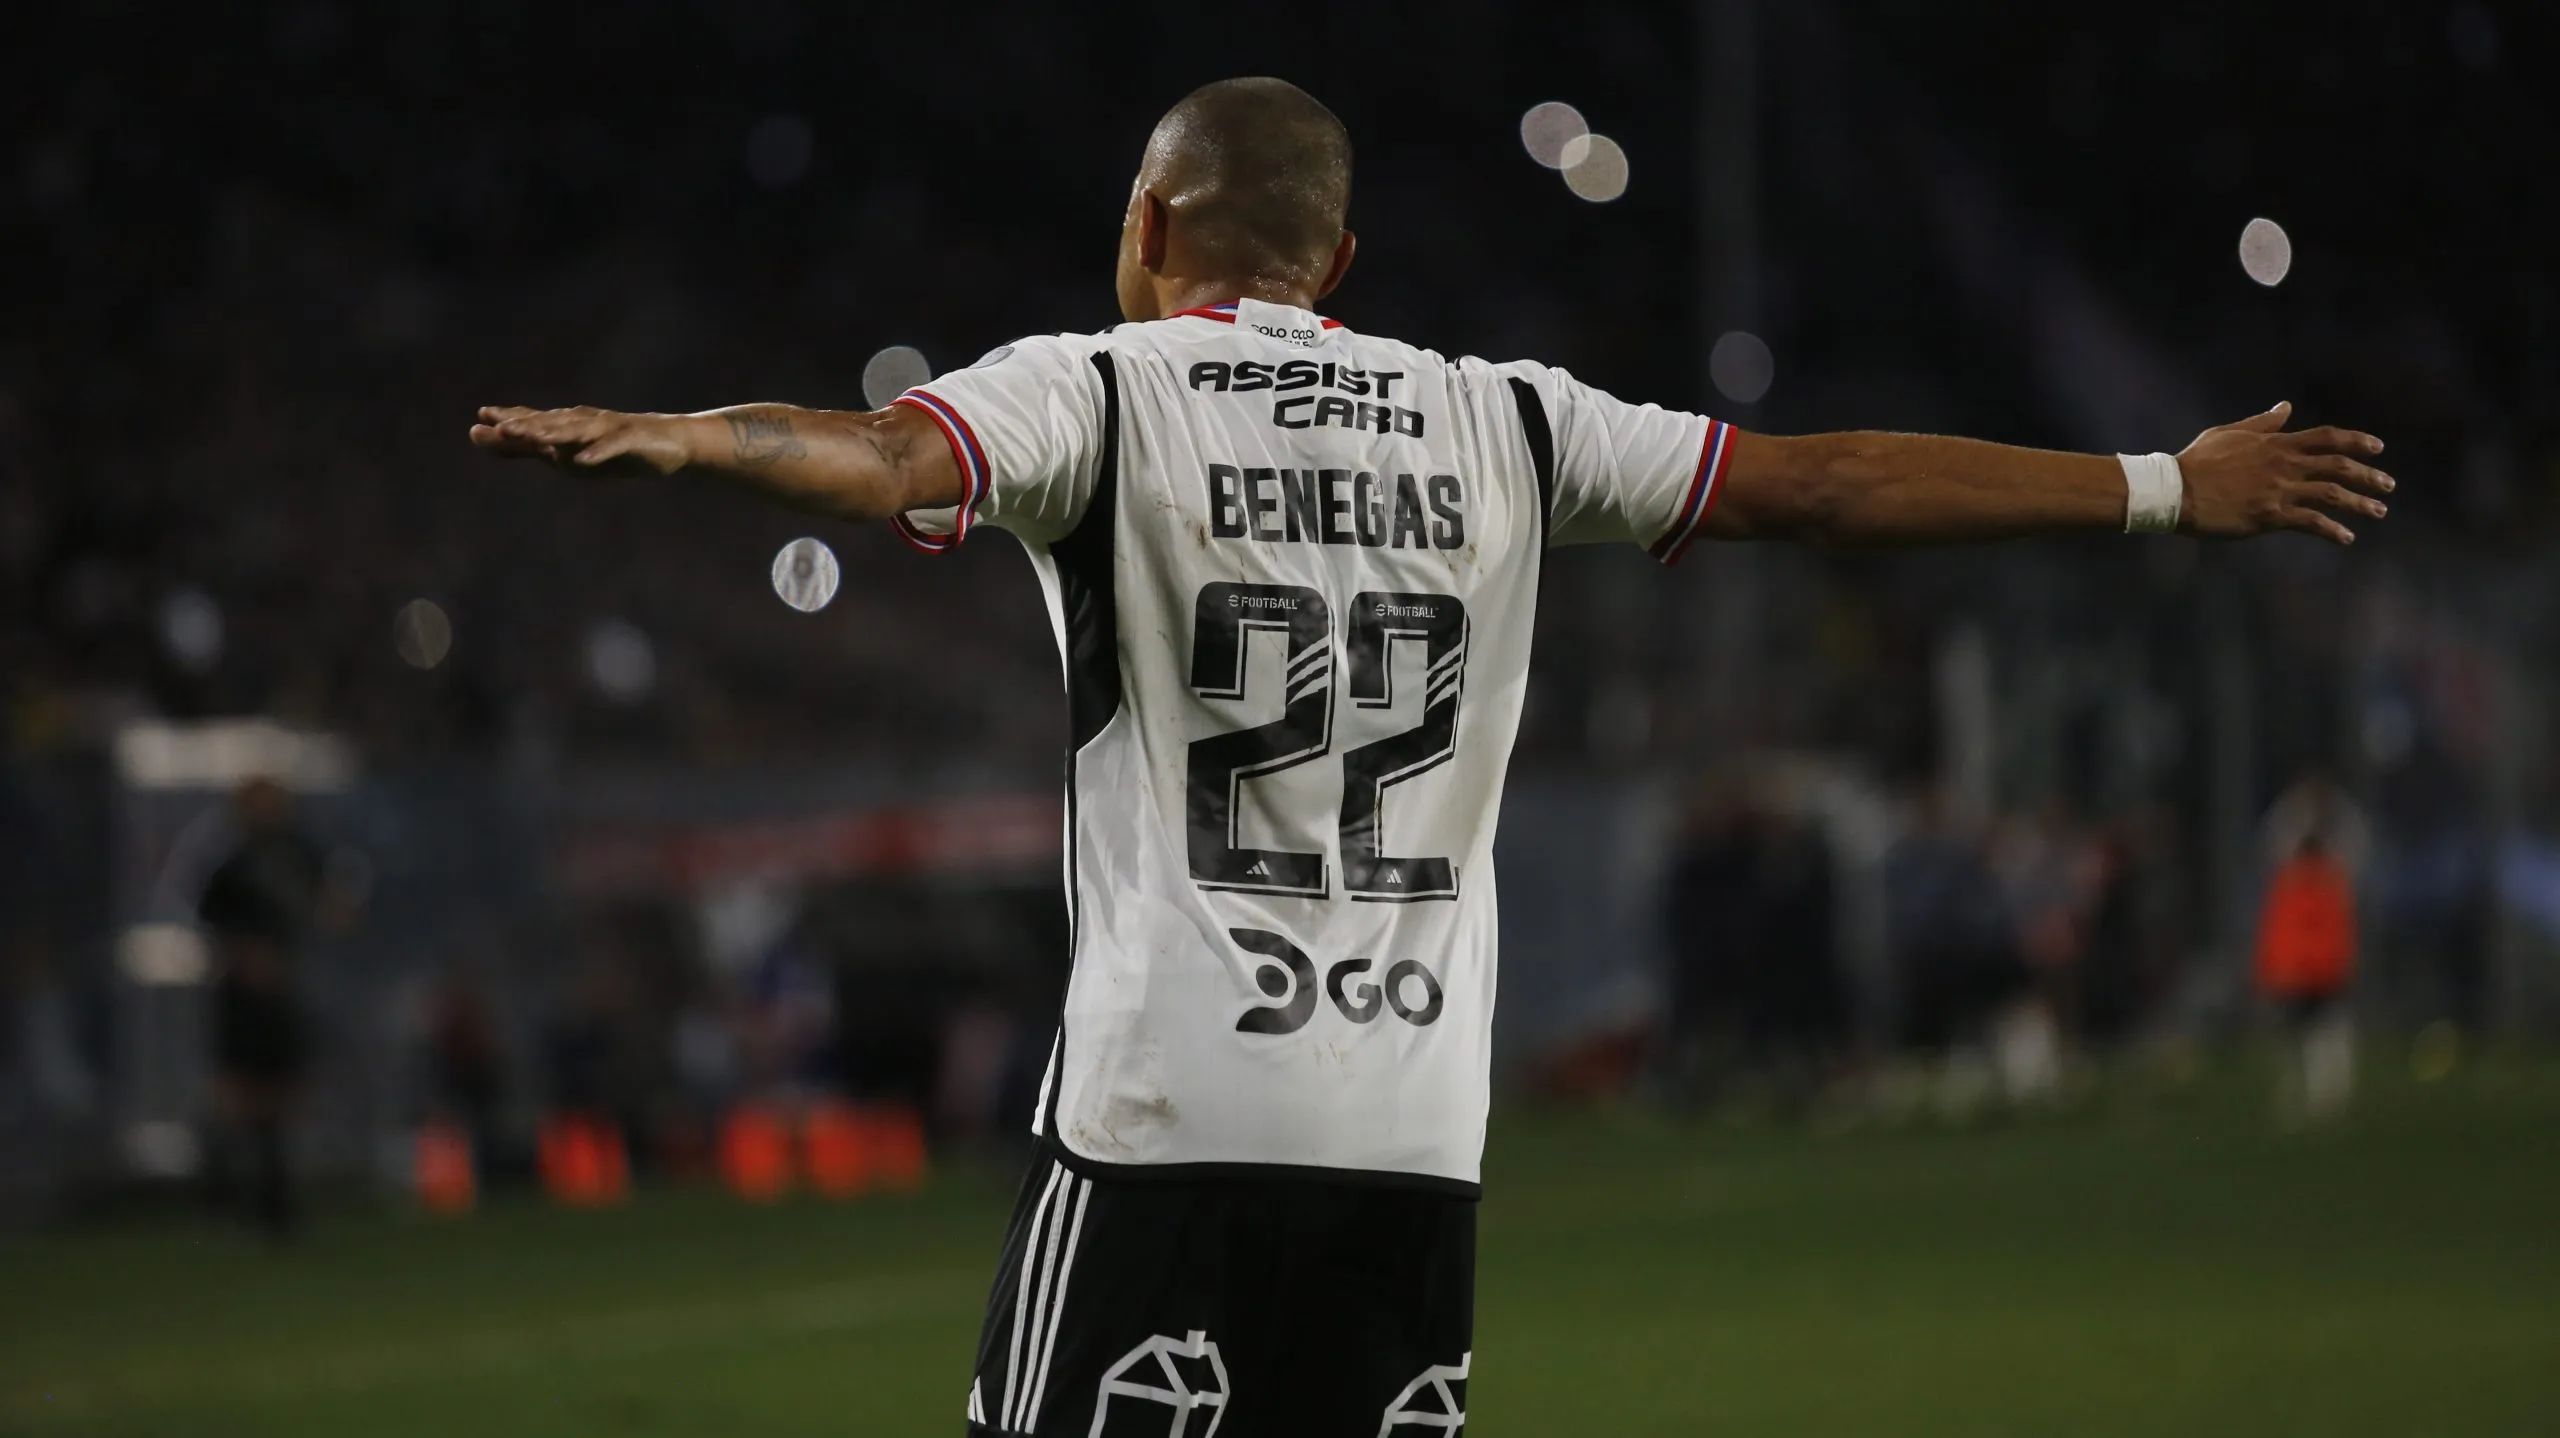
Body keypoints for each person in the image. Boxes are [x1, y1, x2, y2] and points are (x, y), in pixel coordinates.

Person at [468, 77, 2393, 1437]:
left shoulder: (1098, 385)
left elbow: (884, 456)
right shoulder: (1504, 421)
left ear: (1147, 226)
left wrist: (702, 441)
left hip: (1163, 1119)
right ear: (1344, 259)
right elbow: (1826, 480)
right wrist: (2166, 483)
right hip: (1408, 1135)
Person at [2255, 830, 2360, 1123]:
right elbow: (2339, 936)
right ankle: (2325, 1101)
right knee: (2324, 1039)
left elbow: (2277, 937)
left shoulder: (2289, 885)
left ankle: (2299, 1099)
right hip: (2321, 974)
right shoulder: (2330, 884)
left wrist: (2271, 974)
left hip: (2295, 976)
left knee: (2298, 1041)